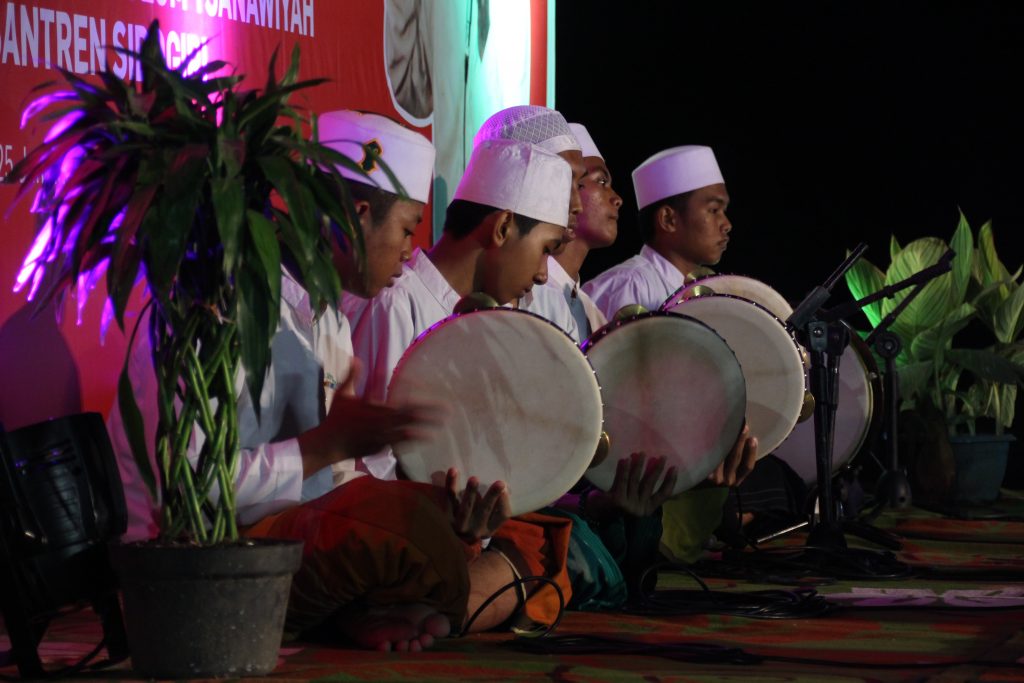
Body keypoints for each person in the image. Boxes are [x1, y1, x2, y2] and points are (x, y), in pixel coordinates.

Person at [108, 111, 482, 652]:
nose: (409, 252)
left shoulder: (329, 318)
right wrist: (323, 447)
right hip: (188, 568)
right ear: (357, 216)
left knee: (454, 526)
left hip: (275, 542)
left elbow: (338, 485)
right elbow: (187, 489)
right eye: (406, 229)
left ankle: (358, 611)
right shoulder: (223, 305)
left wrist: (447, 506)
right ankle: (363, 608)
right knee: (406, 533)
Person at [344, 137, 574, 631]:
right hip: (395, 528)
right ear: (503, 227)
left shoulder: (491, 317)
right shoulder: (397, 303)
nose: (542, 275)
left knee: (541, 544)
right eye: (545, 251)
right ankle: (437, 607)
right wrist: (443, 518)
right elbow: (368, 463)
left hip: (457, 530)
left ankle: (443, 605)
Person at [583, 145, 730, 317]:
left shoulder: (702, 290)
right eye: (713, 210)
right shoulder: (630, 286)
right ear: (668, 219)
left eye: (724, 211)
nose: (726, 224)